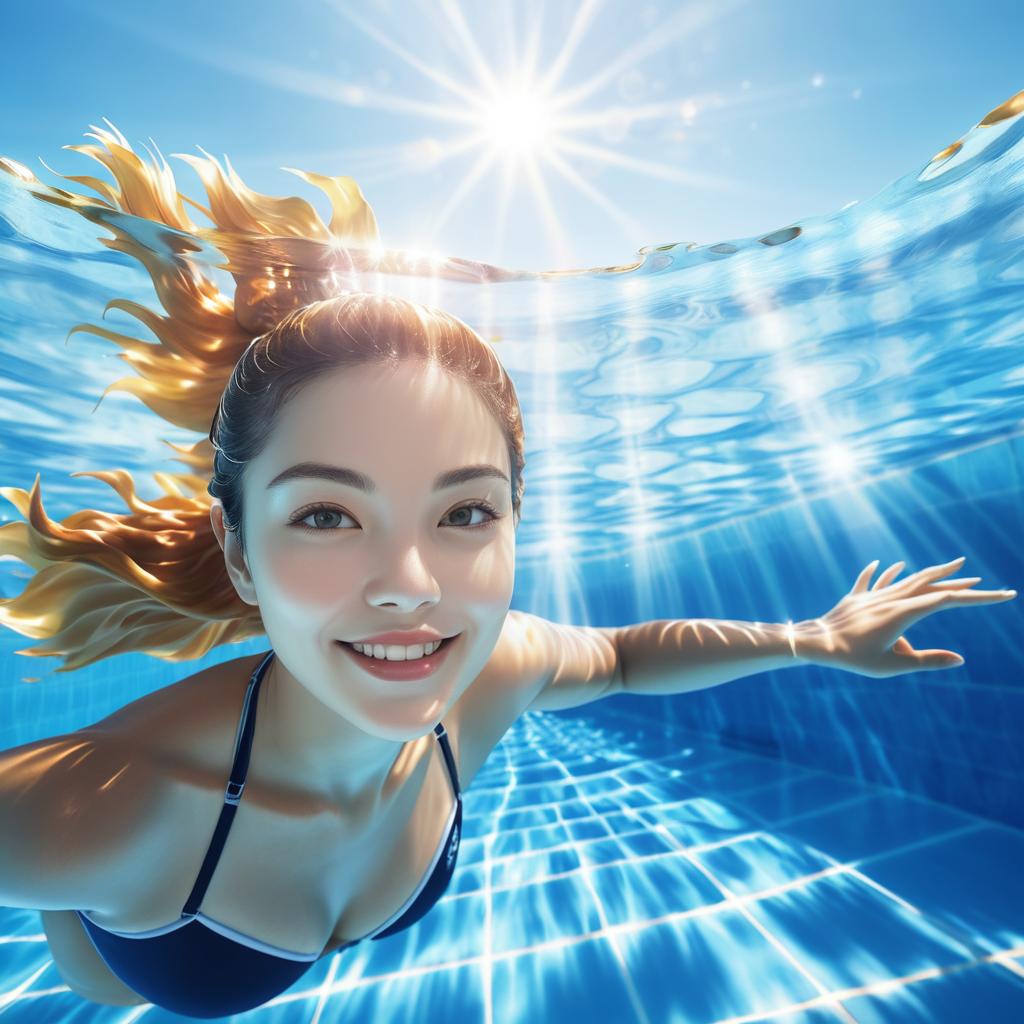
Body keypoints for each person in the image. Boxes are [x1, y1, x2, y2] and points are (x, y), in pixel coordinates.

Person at [0, 124, 1015, 1018]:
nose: (410, 583)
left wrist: (814, 641)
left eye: (464, 512)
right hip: (117, 954)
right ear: (238, 549)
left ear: (516, 524)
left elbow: (620, 655)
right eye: (324, 513)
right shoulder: (116, 808)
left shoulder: (487, 673)